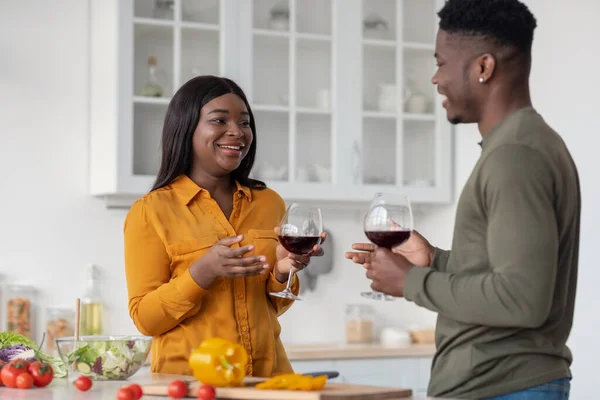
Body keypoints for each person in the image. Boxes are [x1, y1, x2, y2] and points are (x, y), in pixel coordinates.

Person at [346, 0, 580, 399]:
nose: (435, 79)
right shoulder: (520, 145)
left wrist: (412, 282)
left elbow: (523, 299)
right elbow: (507, 271)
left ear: (483, 68)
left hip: (502, 386)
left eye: (441, 62)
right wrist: (435, 260)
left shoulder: (515, 156)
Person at [124, 75, 326, 377]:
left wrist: (283, 272)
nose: (237, 132)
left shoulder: (269, 202)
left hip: (268, 381)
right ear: (187, 127)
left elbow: (272, 306)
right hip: (192, 386)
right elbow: (146, 320)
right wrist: (202, 272)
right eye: (219, 121)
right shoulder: (151, 211)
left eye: (244, 123)